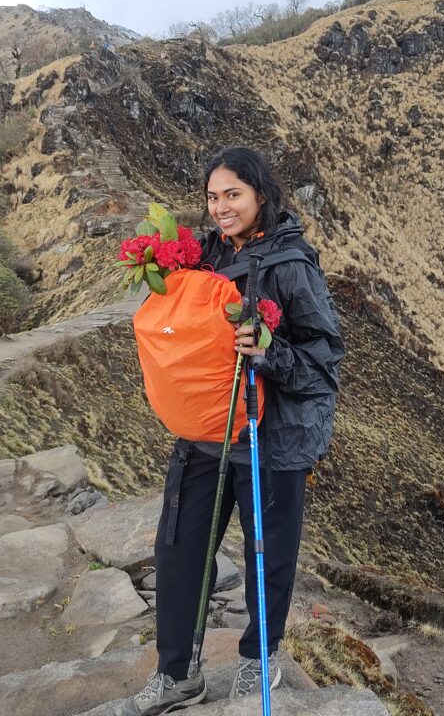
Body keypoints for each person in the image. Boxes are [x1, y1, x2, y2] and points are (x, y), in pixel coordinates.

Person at [122, 147, 344, 715]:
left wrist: (268, 350)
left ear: (261, 195)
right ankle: (176, 673)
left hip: (272, 441)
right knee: (177, 549)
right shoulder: (208, 254)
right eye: (213, 197)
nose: (221, 208)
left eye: (234, 196)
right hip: (205, 430)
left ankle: (258, 660)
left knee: (266, 556)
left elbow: (324, 361)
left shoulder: (292, 264)